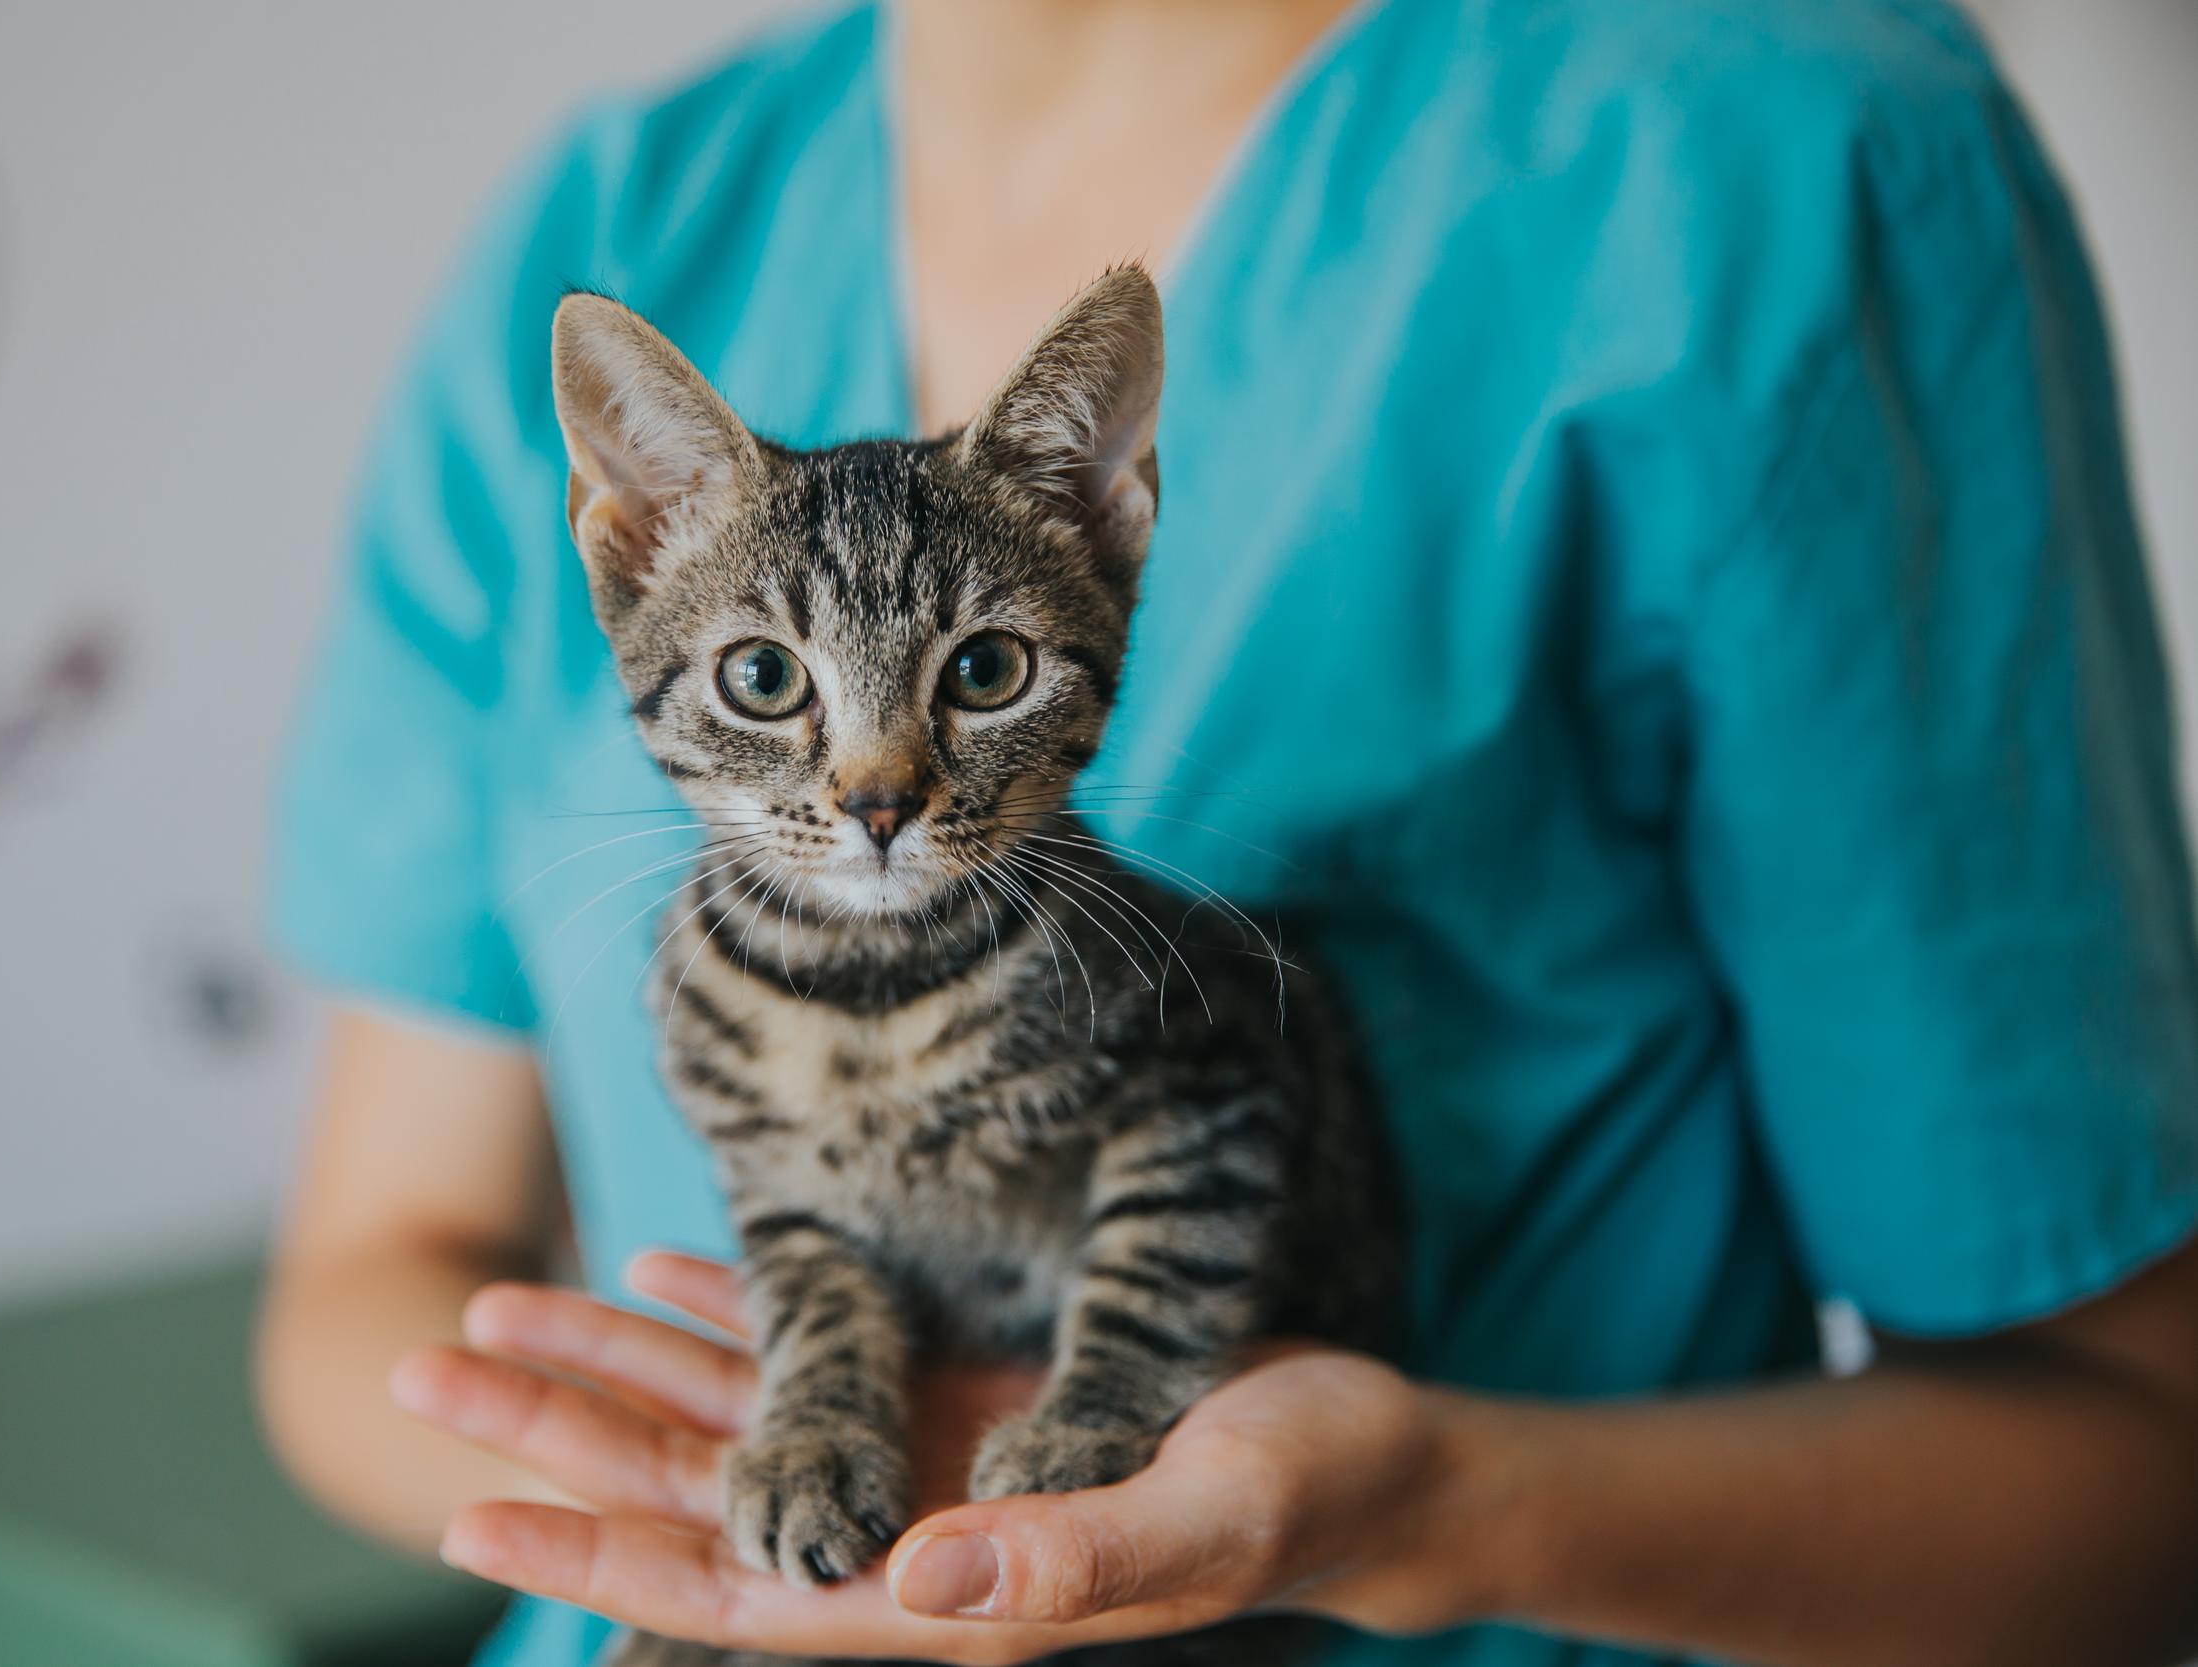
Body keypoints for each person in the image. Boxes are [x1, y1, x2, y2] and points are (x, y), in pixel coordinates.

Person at [254, 1, 2198, 1663]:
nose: (870, 785)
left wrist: (1431, 1513)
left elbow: (2134, 1464)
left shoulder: (1762, 162)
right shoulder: (616, 217)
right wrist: (746, 1524)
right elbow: (370, 1283)